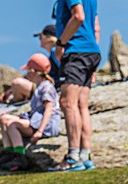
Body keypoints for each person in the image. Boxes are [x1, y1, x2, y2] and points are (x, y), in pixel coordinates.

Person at [0, 53, 62, 172]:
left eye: (28, 70)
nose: (26, 73)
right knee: (4, 119)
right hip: (36, 121)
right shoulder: (39, 86)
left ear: (34, 71)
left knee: (13, 125)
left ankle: (19, 156)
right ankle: (8, 153)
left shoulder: (46, 87)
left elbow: (49, 109)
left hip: (46, 125)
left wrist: (39, 132)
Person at [51, 0, 101, 171]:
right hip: (91, 51)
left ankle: (73, 157)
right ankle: (85, 156)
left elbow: (78, 16)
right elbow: (96, 27)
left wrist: (60, 44)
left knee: (67, 102)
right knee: (82, 105)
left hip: (76, 51)